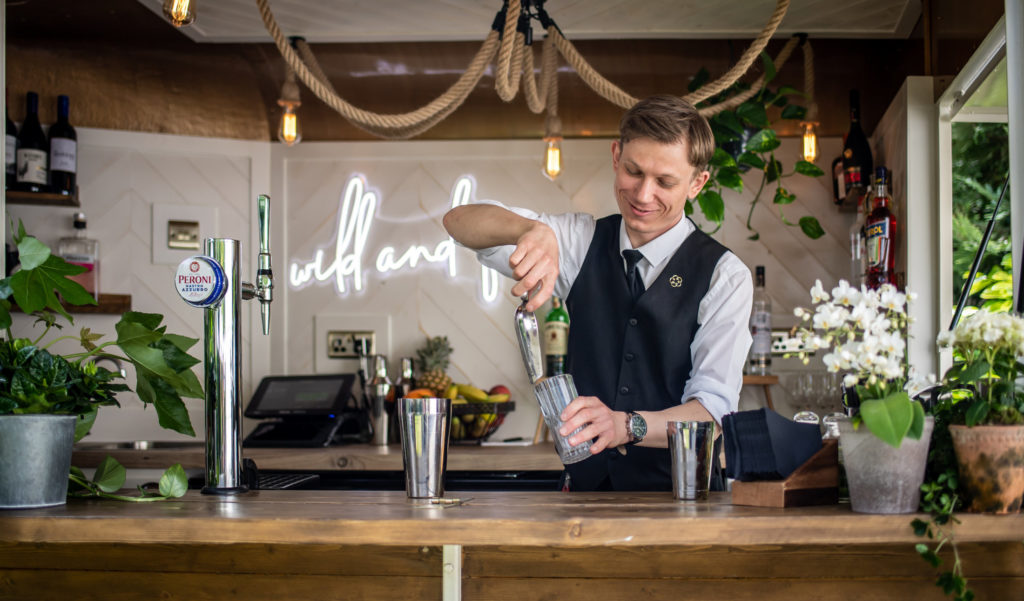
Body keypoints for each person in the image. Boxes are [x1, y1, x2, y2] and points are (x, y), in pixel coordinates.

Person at [443, 95, 753, 491]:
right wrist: (528, 230)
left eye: (665, 182)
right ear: (616, 156)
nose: (643, 195)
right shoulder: (579, 241)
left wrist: (627, 425)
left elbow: (713, 412)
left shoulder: (724, 276)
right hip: (587, 499)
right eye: (633, 171)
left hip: (685, 500)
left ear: (697, 184)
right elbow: (458, 221)